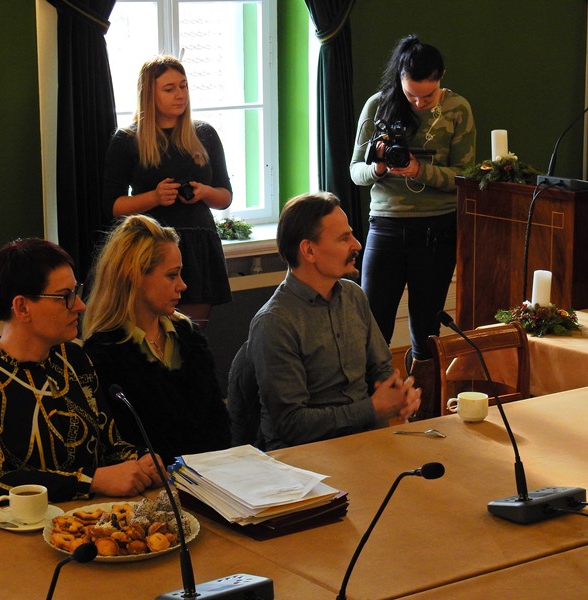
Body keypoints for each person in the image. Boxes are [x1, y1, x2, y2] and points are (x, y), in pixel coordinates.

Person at [0, 238, 164, 512]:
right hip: (3, 529)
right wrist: (89, 481)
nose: (80, 305)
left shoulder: (74, 359)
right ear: (22, 307)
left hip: (81, 519)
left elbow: (110, 446)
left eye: (77, 292)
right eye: (65, 296)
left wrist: (141, 461)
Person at [350, 35, 476, 419]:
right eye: (411, 95)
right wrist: (378, 168)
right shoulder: (378, 106)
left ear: (442, 77)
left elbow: (465, 176)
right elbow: (355, 172)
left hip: (437, 229)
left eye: (428, 95)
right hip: (385, 227)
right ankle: (371, 414)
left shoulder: (457, 109)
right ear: (399, 80)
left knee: (426, 327)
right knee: (373, 325)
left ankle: (425, 412)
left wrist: (421, 170)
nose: (419, 103)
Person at [244, 192, 421, 451]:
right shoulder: (275, 322)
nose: (357, 244)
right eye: (343, 238)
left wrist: (399, 394)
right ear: (309, 250)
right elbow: (292, 424)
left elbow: (382, 369)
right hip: (305, 457)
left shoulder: (353, 296)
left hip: (365, 442)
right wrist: (371, 409)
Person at [82, 214, 231, 466]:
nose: (182, 285)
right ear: (136, 275)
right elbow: (118, 447)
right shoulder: (103, 353)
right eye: (172, 275)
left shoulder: (190, 337)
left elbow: (218, 423)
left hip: (209, 475)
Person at [101, 54, 233, 328]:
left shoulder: (204, 134)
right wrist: (154, 197)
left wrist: (204, 192)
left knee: (192, 335)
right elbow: (113, 207)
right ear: (149, 94)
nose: (180, 95)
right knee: (151, 332)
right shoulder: (128, 139)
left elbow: (225, 197)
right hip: (150, 249)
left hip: (198, 247)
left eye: (183, 86)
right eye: (169, 89)